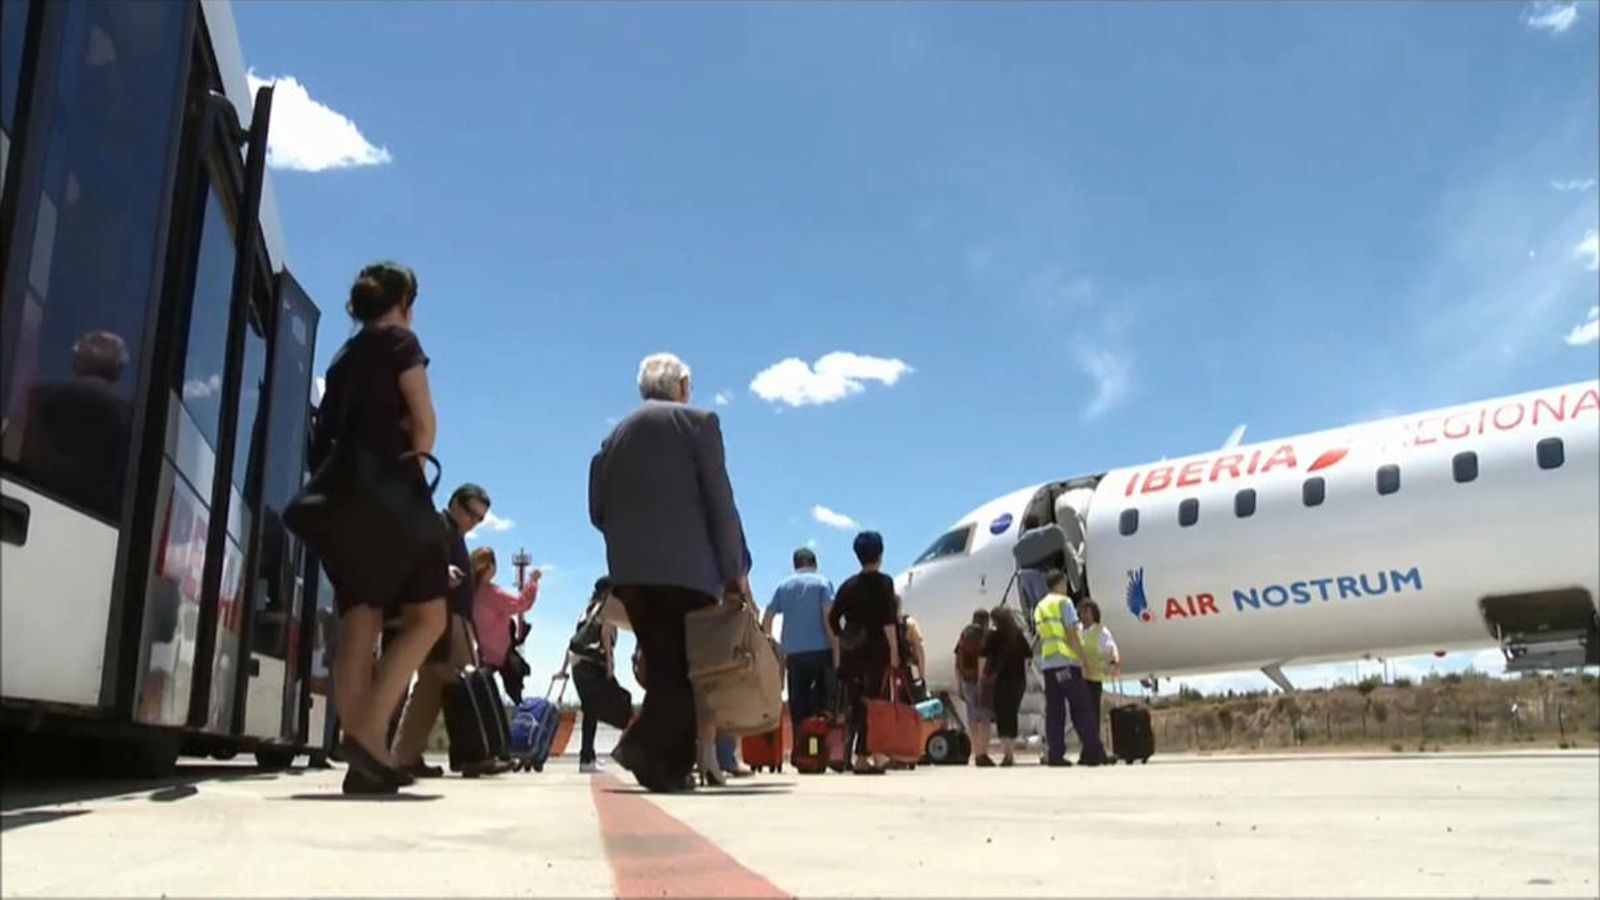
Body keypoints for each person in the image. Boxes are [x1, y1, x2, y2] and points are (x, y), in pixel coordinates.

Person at [311, 262, 448, 794]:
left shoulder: (344, 358)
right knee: (428, 615)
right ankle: (369, 734)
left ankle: (361, 752)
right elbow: (424, 421)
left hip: (339, 501)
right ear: (405, 301)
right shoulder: (400, 343)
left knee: (360, 620)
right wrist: (411, 473)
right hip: (390, 497)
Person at [589, 353, 749, 793]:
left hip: (632, 572)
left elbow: (597, 509)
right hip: (688, 571)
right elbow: (720, 501)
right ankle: (647, 753)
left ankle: (669, 764)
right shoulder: (699, 424)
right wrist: (735, 569)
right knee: (685, 668)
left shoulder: (613, 437)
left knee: (663, 663)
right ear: (682, 385)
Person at [389, 484, 506, 780]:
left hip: (448, 619)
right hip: (447, 619)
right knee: (459, 683)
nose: (472, 521)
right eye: (470, 513)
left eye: (479, 518)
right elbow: (417, 560)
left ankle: (406, 756)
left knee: (430, 688)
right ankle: (473, 755)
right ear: (454, 503)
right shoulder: (440, 528)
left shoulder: (453, 534)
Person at [827, 531, 901, 775]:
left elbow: (833, 617)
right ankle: (869, 755)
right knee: (876, 703)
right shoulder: (885, 583)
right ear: (880, 554)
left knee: (857, 705)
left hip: (852, 652)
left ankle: (863, 755)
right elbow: (889, 621)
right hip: (876, 650)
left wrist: (843, 637)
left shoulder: (847, 586)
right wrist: (894, 651)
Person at [1033, 568, 1106, 767]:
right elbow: (1072, 634)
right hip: (1067, 663)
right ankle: (1093, 751)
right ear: (1062, 583)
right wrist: (1084, 660)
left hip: (1049, 665)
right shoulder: (1064, 603)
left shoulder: (1039, 606)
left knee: (1054, 712)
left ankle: (1055, 754)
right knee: (1081, 708)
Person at [762, 547, 837, 734]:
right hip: (821, 651)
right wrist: (836, 647)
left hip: (794, 654)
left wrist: (769, 642)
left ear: (795, 564)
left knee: (799, 703)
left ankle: (801, 747)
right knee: (822, 704)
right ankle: (819, 749)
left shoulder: (783, 586)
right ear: (815, 564)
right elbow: (828, 617)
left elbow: (768, 616)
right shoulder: (823, 583)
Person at [558, 577, 621, 774]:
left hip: (578, 666)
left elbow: (573, 642)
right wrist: (611, 668)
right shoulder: (606, 610)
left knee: (590, 711)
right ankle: (587, 758)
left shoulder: (585, 612)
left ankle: (588, 757)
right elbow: (605, 639)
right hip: (595, 665)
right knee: (598, 710)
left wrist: (564, 668)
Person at [469, 547, 540, 694]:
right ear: (491, 567)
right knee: (515, 686)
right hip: (498, 652)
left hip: (476, 652)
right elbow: (522, 604)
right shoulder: (492, 593)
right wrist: (532, 582)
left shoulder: (470, 593)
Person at [980, 607, 1032, 767]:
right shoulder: (1018, 635)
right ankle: (1011, 753)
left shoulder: (993, 636)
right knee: (1012, 714)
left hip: (1001, 681)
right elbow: (1028, 655)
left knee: (1002, 716)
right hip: (1018, 681)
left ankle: (1006, 753)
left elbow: (983, 654)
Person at [1077, 599, 1120, 747]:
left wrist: (1115, 661)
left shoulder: (1100, 631)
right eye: (1081, 613)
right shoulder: (1077, 630)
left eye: (1086, 612)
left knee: (1092, 715)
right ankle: (1087, 745)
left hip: (1093, 678)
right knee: (1081, 715)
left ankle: (1093, 746)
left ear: (1094, 613)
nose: (1084, 616)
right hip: (1079, 678)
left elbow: (1111, 647)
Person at [954, 609, 993, 764]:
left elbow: (957, 659)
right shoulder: (985, 635)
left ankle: (976, 752)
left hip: (967, 679)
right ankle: (983, 752)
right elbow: (983, 658)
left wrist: (959, 684)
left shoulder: (965, 634)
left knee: (972, 717)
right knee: (985, 717)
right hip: (982, 680)